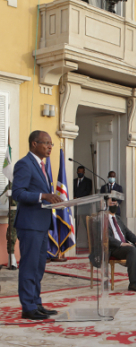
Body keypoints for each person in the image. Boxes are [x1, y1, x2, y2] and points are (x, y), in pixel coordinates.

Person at [12, 131, 64, 319]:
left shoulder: (41, 166)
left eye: (51, 143)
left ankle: (36, 303)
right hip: (30, 224)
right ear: (34, 144)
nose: (50, 147)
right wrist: (43, 195)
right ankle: (28, 307)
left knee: (39, 266)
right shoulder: (24, 164)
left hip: (42, 224)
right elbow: (17, 193)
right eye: (46, 143)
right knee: (29, 265)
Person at [73, 166, 93, 244]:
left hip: (85, 206)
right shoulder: (74, 181)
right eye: (78, 171)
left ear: (84, 172)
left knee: (87, 224)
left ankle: (90, 243)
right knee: (75, 224)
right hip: (75, 205)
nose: (80, 173)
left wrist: (77, 197)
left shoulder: (88, 181)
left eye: (81, 172)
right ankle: (74, 241)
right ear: (77, 172)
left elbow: (87, 192)